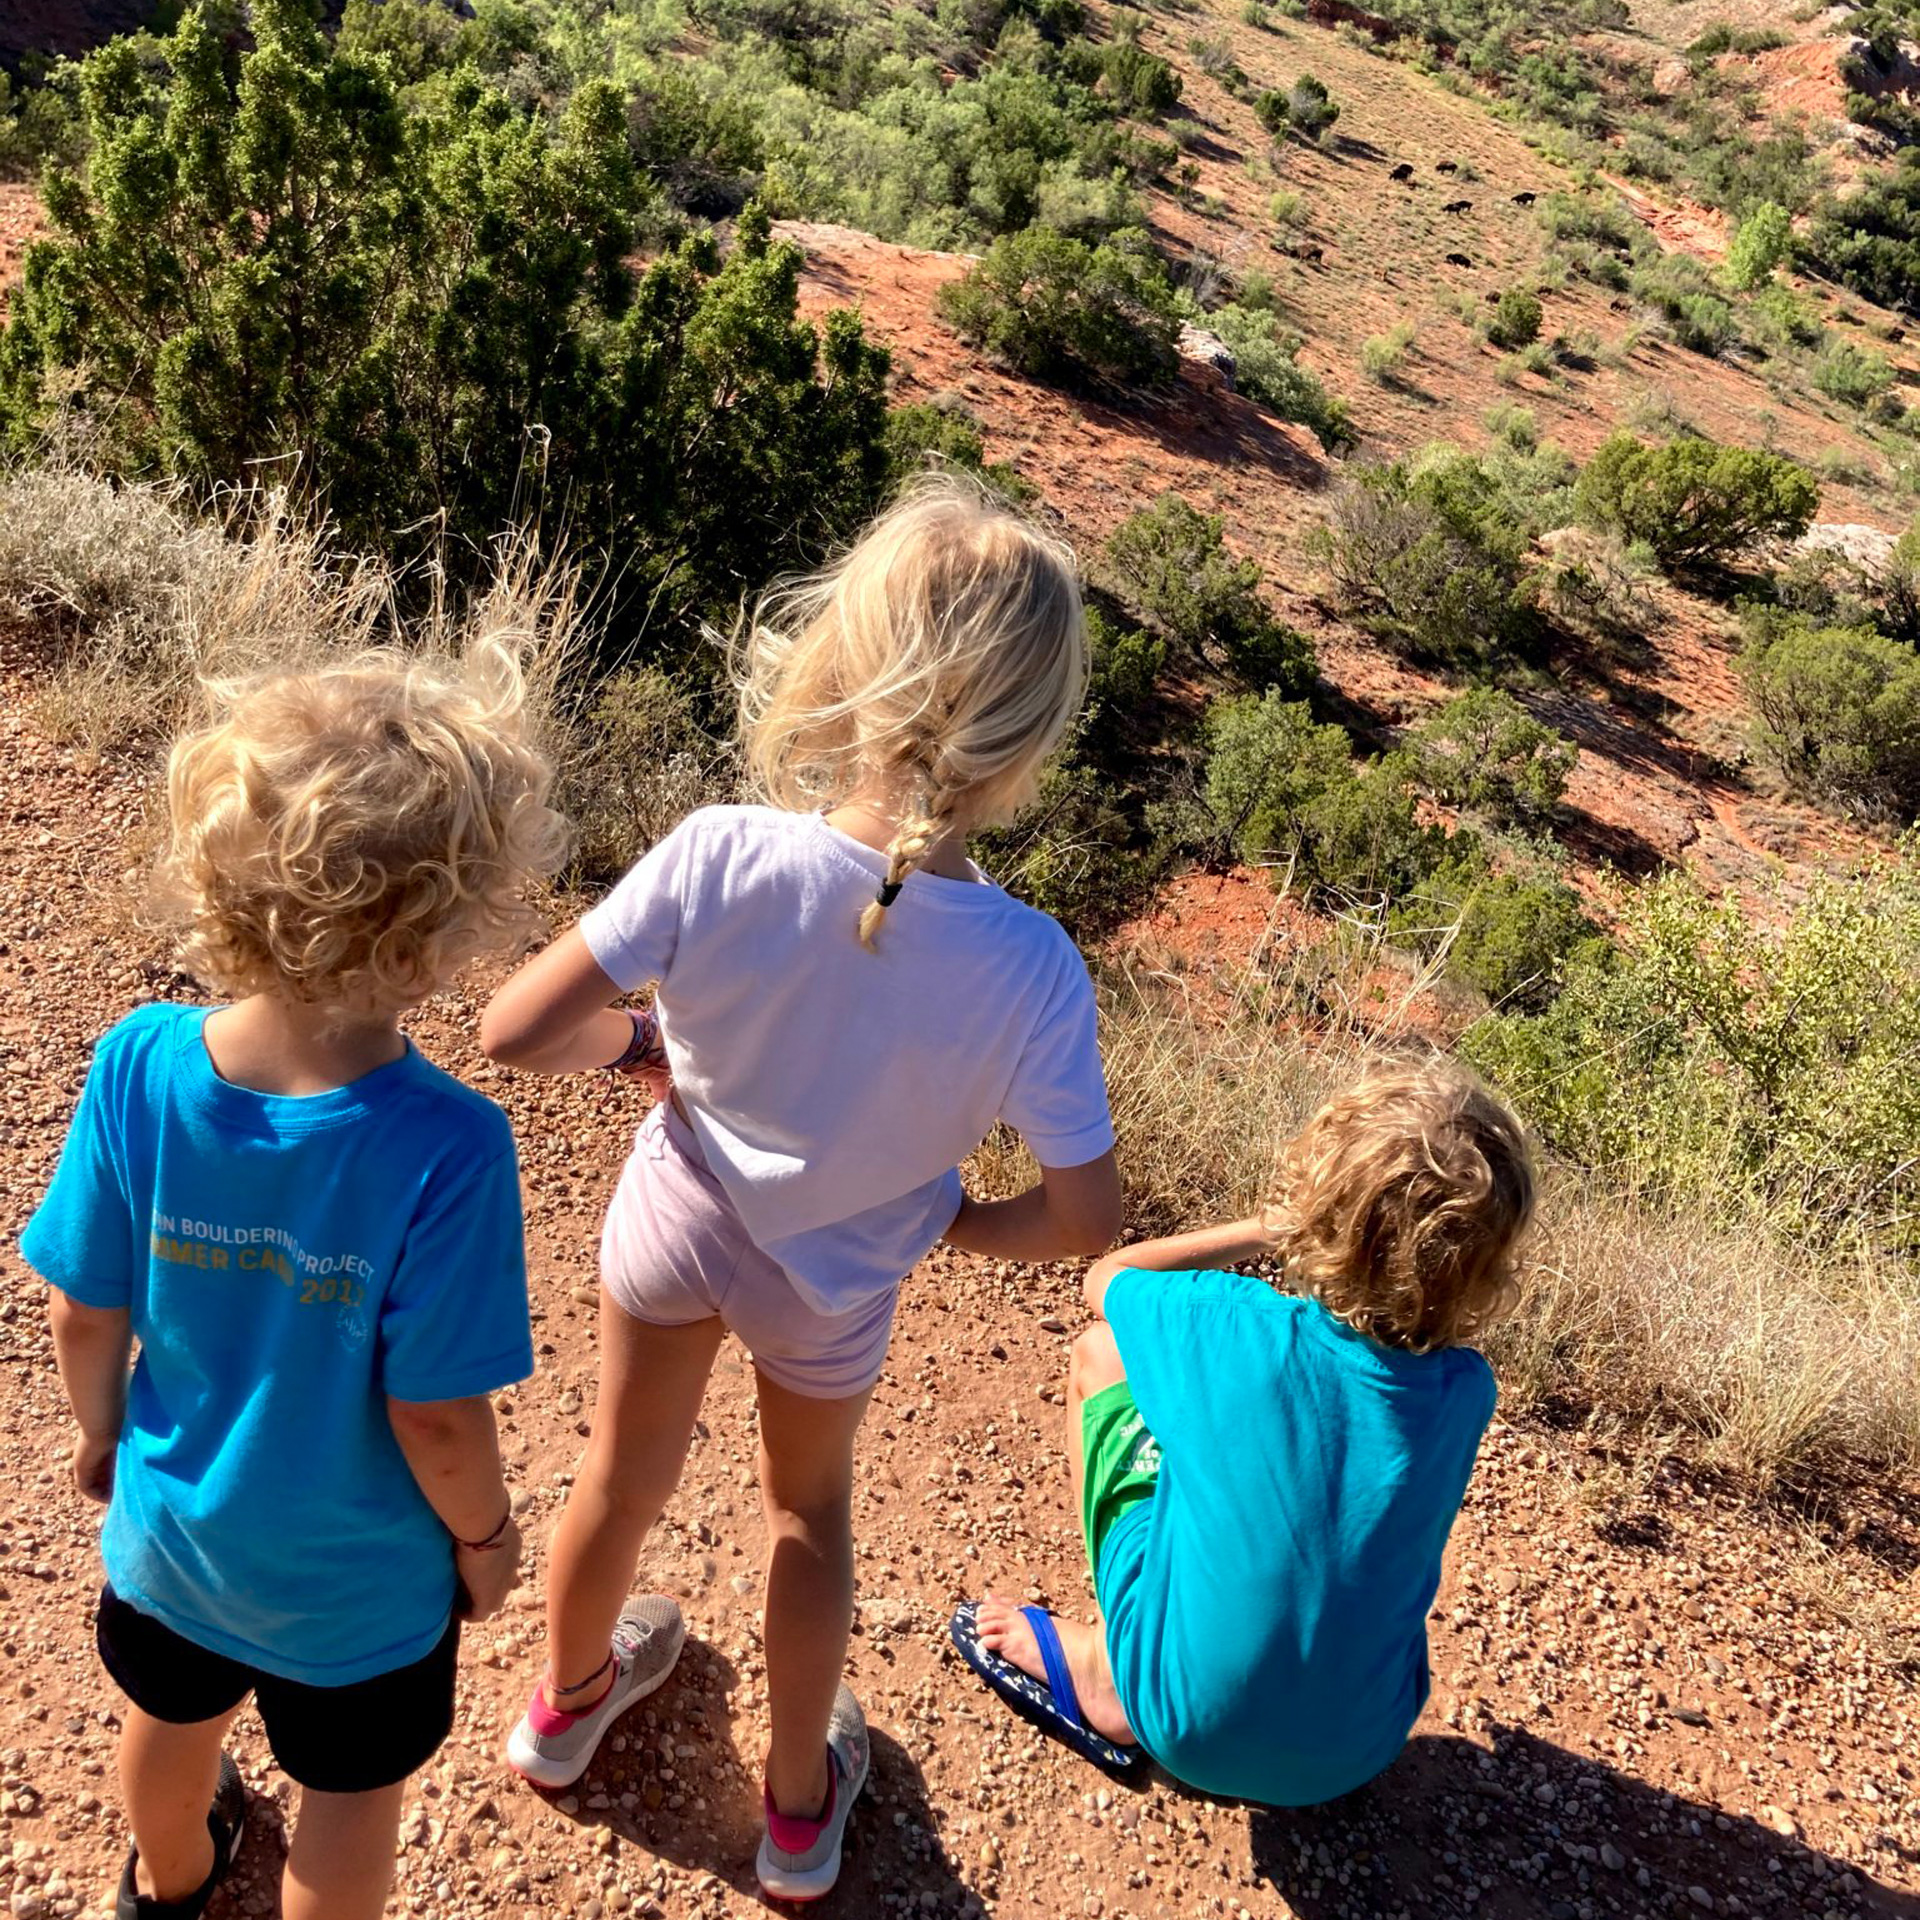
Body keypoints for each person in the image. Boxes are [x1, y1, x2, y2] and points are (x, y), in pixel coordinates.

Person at [481, 478, 1123, 1900]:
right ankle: (790, 1813)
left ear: (845, 656)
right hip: (833, 1286)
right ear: (1027, 743)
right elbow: (1089, 1225)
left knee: (616, 1476)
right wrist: (956, 1223)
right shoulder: (1032, 971)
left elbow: (514, 1031)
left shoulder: (723, 851)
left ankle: (563, 1710)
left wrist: (641, 1042)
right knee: (804, 1520)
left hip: (671, 1225)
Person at [22, 641, 567, 1920]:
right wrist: (487, 1544)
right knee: (348, 1811)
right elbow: (434, 1413)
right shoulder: (447, 1145)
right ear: (444, 929)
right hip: (359, 1596)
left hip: (175, 1542)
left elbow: (81, 1306)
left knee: (169, 1729)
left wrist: (103, 1438)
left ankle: (170, 1886)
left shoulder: (139, 1063)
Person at [956, 1058, 1534, 1806]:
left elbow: (1107, 1279)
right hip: (1361, 1749)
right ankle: (1297, 1718)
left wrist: (1268, 1228)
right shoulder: (1464, 1393)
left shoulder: (1236, 1326)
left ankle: (1106, 1675)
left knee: (1100, 1358)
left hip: (1187, 1723)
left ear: (1324, 1206)